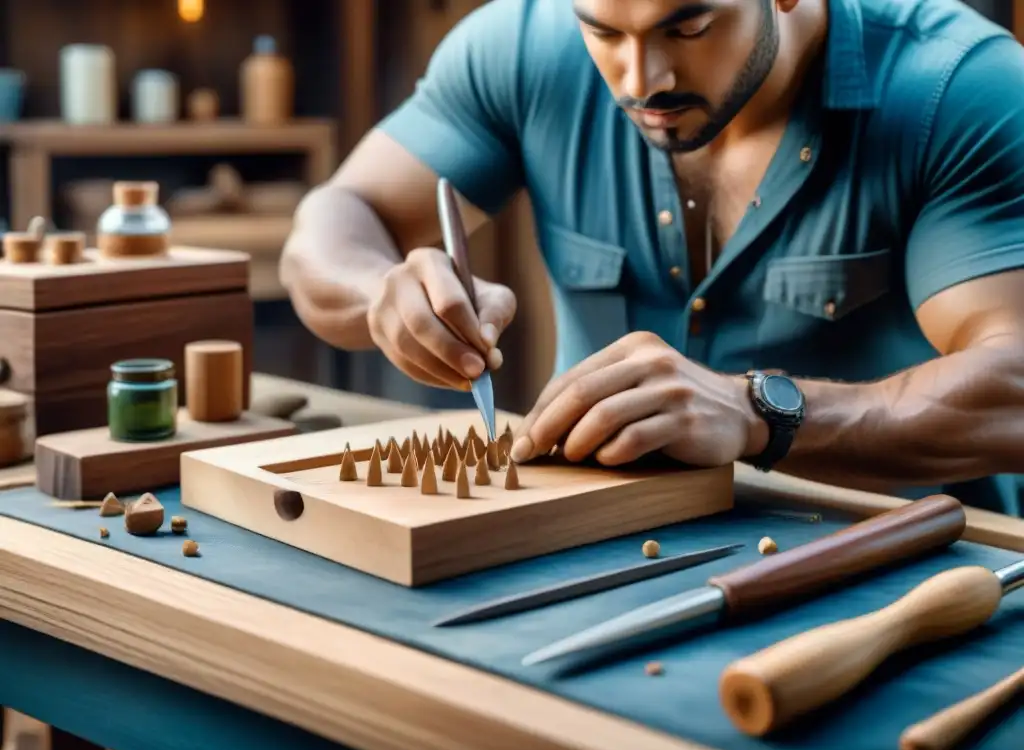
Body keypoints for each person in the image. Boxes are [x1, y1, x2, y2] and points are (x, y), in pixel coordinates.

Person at [280, 0, 1024, 515]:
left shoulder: (958, 86)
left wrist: (758, 414)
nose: (643, 82)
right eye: (601, 30)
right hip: (589, 548)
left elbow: (1016, 385)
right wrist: (383, 292)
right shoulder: (521, 43)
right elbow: (334, 223)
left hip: (904, 570)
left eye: (690, 24)